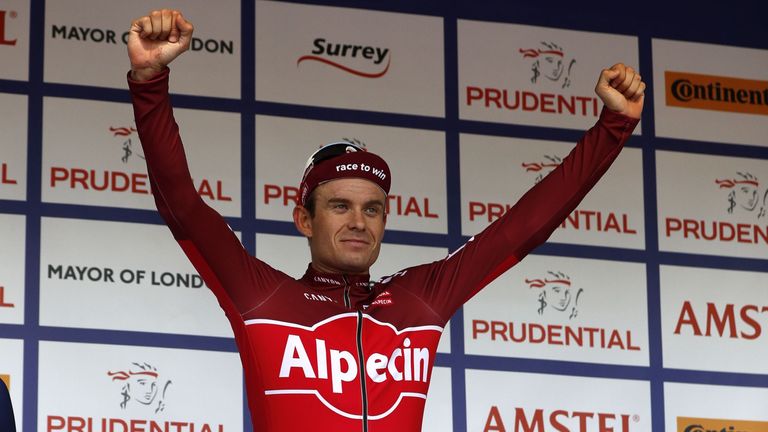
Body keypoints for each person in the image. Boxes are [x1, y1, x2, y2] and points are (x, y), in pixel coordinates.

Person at [127, 9, 644, 432]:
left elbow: (526, 225)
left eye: (372, 208)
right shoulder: (262, 296)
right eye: (339, 206)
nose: (358, 221)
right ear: (302, 220)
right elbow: (182, 206)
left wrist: (613, 126)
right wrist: (150, 82)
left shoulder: (420, 298)